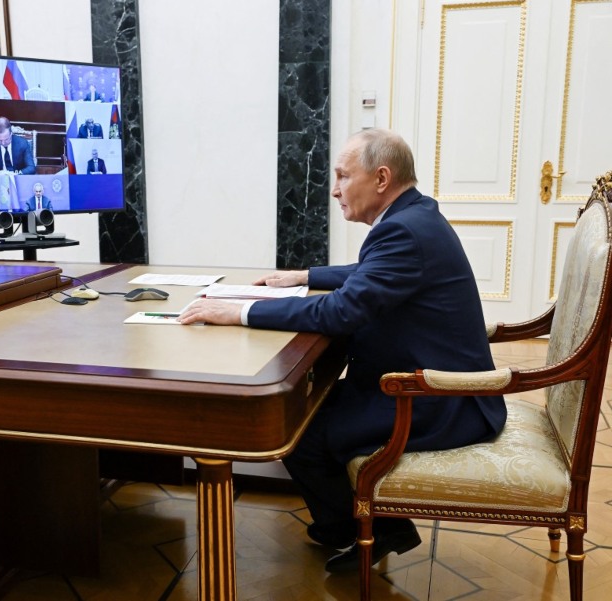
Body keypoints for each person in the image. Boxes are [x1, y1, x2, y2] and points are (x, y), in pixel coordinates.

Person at [177, 128, 507, 572]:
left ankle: (372, 528)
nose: (334, 190)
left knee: (299, 432)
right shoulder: (414, 216)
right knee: (309, 409)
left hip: (439, 399)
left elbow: (338, 314)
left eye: (342, 176)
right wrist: (304, 276)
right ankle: (358, 521)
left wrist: (238, 312)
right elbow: (370, 271)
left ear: (381, 178)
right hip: (430, 382)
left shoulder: (403, 231)